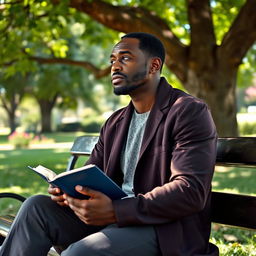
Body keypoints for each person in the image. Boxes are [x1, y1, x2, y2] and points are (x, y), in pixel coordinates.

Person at [0, 32, 219, 256]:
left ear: (154, 65)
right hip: (113, 222)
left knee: (81, 253)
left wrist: (116, 211)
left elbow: (190, 190)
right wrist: (68, 192)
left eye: (125, 58)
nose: (115, 66)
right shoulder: (116, 122)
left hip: (164, 230)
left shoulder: (187, 111)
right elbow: (91, 174)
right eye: (112, 60)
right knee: (36, 207)